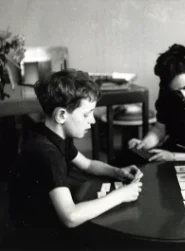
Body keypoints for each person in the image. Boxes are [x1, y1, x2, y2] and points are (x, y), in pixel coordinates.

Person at [7, 69, 143, 249]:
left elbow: (87, 164)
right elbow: (70, 217)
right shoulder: (46, 152)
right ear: (61, 115)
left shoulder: (50, 134)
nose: (92, 121)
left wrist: (117, 171)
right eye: (87, 114)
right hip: (39, 239)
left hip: (45, 223)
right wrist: (121, 195)